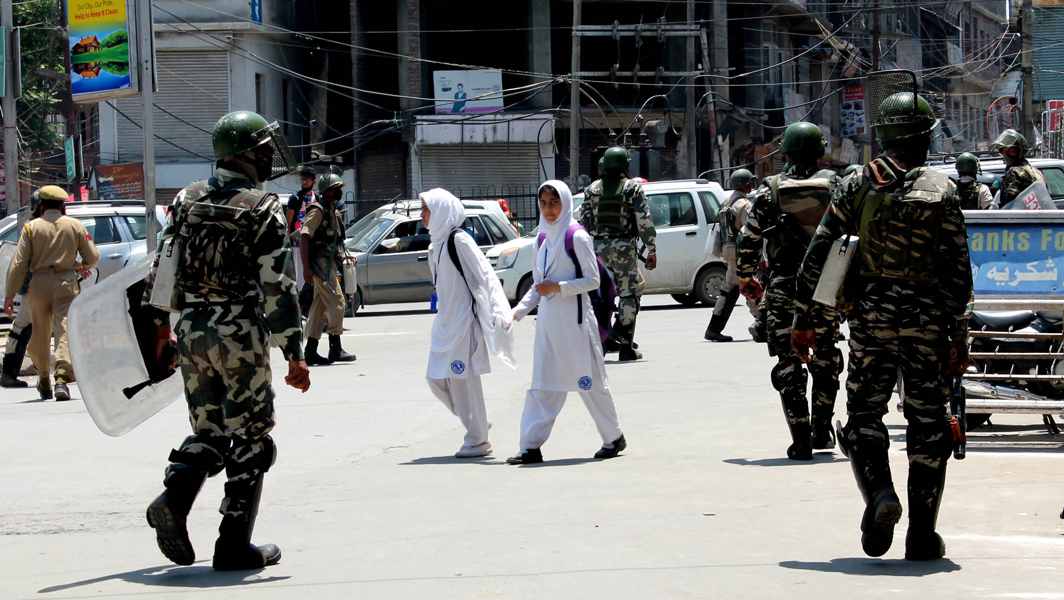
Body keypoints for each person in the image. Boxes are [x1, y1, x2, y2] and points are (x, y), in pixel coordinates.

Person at [792, 91, 972, 561]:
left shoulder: (856, 185)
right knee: (928, 422)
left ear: (884, 133)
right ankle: (922, 535)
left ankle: (878, 497)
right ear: (925, 137)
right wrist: (959, 331)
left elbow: (822, 253)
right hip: (928, 323)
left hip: (871, 320)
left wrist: (805, 318)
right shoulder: (943, 190)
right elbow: (958, 269)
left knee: (865, 415)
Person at [143, 110, 310, 571]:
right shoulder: (262, 207)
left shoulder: (185, 199)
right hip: (239, 329)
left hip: (191, 330)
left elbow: (163, 266)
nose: (267, 155)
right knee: (254, 437)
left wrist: (162, 328)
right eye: (263, 148)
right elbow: (278, 285)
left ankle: (174, 499)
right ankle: (233, 544)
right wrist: (295, 352)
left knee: (210, 431)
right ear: (250, 154)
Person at [735, 122, 843, 460]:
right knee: (825, 358)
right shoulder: (836, 186)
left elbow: (749, 238)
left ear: (787, 153)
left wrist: (745, 277)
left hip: (784, 287)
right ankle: (822, 429)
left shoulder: (771, 191)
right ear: (819, 151)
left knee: (788, 361)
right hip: (825, 287)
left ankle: (800, 439)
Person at [508, 180, 625, 465]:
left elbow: (592, 280)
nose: (549, 210)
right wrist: (517, 313)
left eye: (554, 203)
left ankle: (613, 437)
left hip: (575, 325)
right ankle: (530, 446)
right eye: (545, 203)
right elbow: (538, 285)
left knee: (591, 384)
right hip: (549, 325)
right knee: (543, 385)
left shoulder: (577, 236)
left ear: (565, 204)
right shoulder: (542, 239)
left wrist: (559, 287)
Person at [422, 188, 515, 458]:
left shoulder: (459, 240)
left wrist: (500, 312)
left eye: (427, 209)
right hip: (445, 325)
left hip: (464, 325)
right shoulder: (435, 244)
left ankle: (477, 440)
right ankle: (477, 423)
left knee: (464, 382)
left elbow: (485, 277)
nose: (423, 215)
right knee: (435, 379)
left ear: (441, 211)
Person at [3, 185, 99, 401]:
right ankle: (62, 380)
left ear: (42, 205)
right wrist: (80, 266)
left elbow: (18, 264)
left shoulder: (31, 228)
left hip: (38, 284)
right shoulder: (75, 225)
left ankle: (44, 377)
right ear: (63, 205)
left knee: (39, 332)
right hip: (66, 282)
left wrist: (10, 295)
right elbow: (93, 256)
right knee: (64, 330)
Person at [577, 146, 657, 362]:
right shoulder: (632, 188)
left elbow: (582, 223)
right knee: (629, 295)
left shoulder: (592, 189)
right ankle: (625, 346)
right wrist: (652, 248)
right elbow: (644, 221)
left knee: (602, 296)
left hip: (598, 249)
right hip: (624, 247)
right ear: (624, 164)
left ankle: (601, 343)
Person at [301, 173, 356, 366]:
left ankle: (310, 351)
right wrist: (306, 269)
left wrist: (343, 258)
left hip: (329, 265)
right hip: (320, 267)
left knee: (319, 308)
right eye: (336, 188)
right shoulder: (317, 211)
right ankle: (335, 348)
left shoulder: (334, 211)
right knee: (338, 303)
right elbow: (304, 238)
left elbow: (334, 242)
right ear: (327, 192)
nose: (339, 191)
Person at [705, 168, 758, 342]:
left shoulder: (727, 202)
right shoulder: (744, 205)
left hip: (728, 250)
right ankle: (763, 323)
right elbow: (750, 231)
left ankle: (714, 328)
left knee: (731, 289)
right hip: (741, 252)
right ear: (747, 185)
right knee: (749, 286)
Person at [992, 129, 1043, 207]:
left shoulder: (1014, 172)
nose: (1004, 154)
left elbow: (1008, 203)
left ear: (1020, 151)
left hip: (1020, 217)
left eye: (1012, 151)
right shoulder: (1035, 171)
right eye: (1002, 150)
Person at [287, 166, 316, 295]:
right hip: (298, 242)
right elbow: (289, 222)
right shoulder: (295, 198)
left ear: (313, 181)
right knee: (299, 274)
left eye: (307, 179)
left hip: (313, 241)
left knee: (313, 272)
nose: (304, 182)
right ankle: (300, 301)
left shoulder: (317, 198)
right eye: (302, 179)